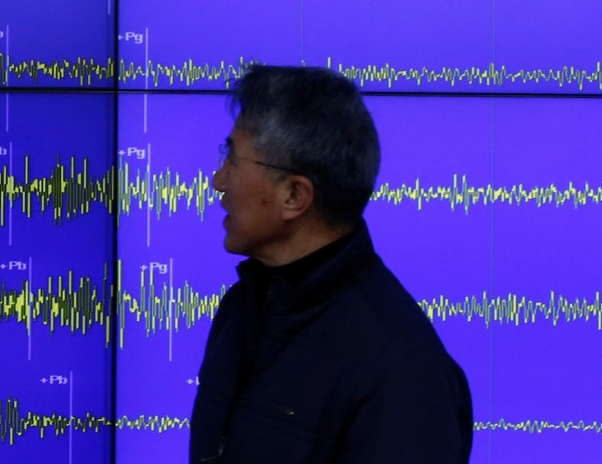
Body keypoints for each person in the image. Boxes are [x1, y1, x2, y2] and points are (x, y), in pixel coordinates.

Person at [190, 66, 472, 463]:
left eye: (232, 159)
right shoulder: (243, 309)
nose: (219, 181)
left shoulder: (400, 370)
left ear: (294, 195)